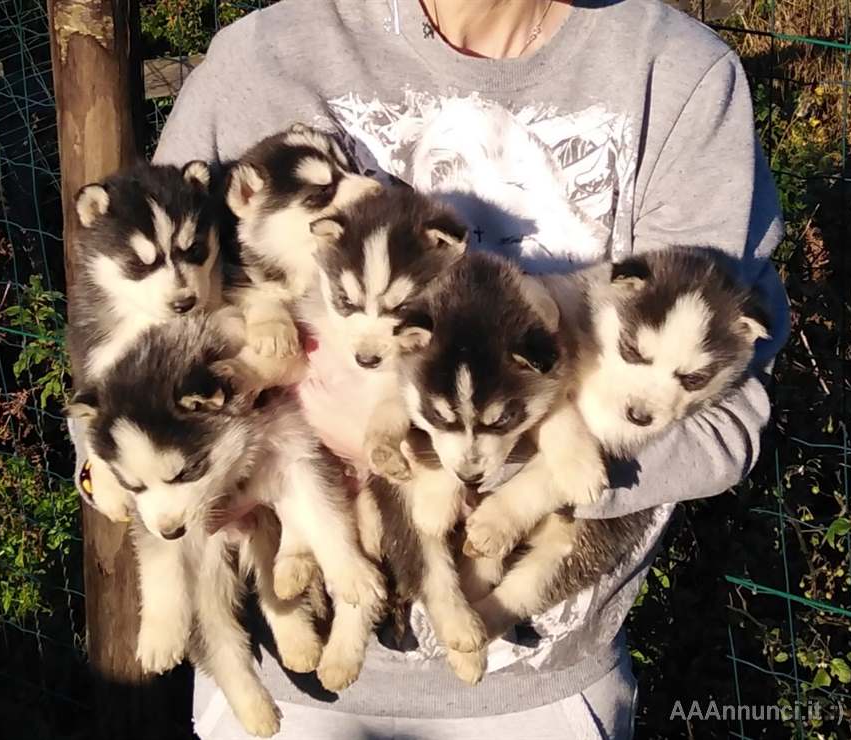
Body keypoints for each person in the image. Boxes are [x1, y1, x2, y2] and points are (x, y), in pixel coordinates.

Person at [143, 1, 790, 737]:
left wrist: (486, 458)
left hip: (537, 691)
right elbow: (135, 330)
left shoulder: (675, 77)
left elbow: (728, 423)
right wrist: (125, 476)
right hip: (286, 675)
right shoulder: (268, 57)